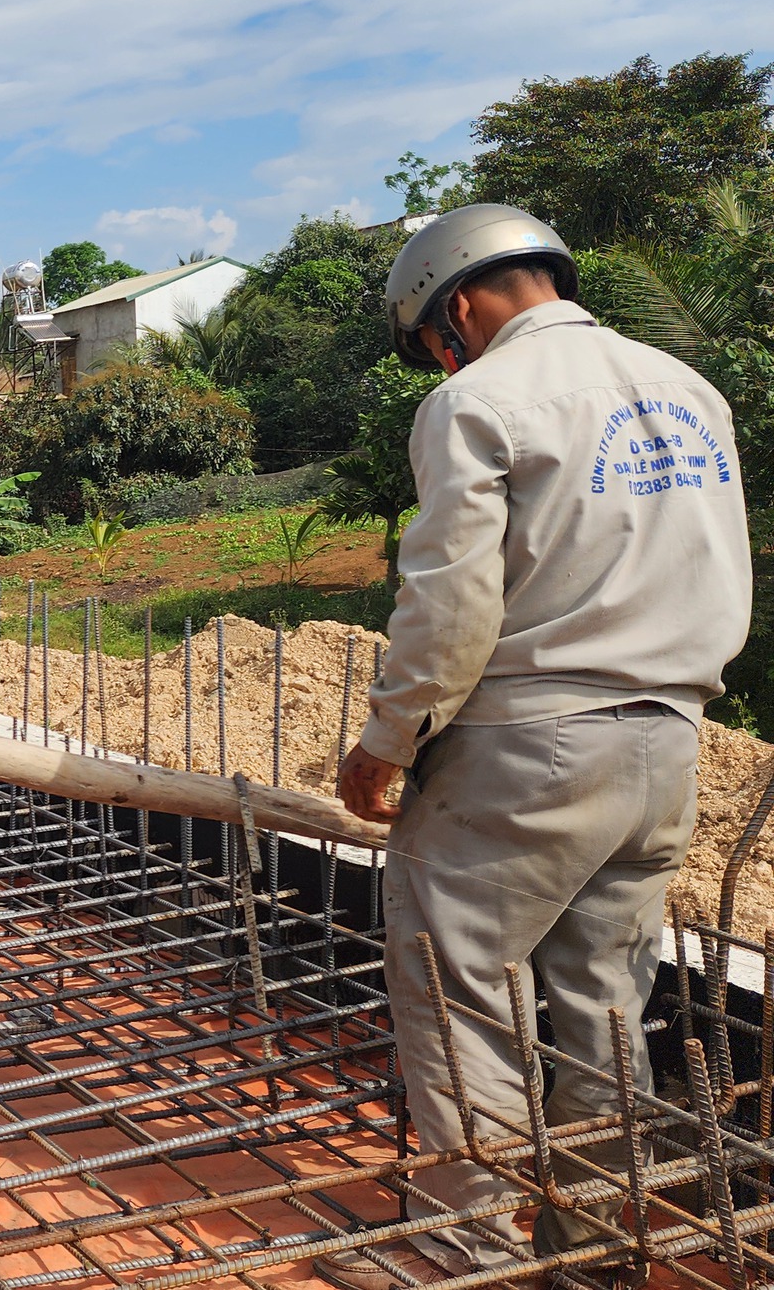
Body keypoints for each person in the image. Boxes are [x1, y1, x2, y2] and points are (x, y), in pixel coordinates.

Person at [322, 206, 751, 1288]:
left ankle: (470, 1257)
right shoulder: (688, 389)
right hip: (665, 744)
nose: (441, 353)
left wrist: (388, 739)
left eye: (433, 337)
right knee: (603, 1004)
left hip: (526, 745)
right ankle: (597, 1251)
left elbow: (450, 605)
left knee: (455, 984)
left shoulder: (477, 398)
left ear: (455, 307)